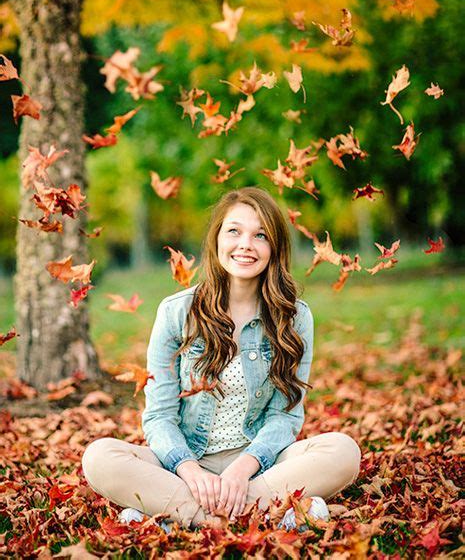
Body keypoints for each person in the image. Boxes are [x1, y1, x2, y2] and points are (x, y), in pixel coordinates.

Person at [82, 187, 361, 531]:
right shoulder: (177, 312)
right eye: (234, 231)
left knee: (343, 450)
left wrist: (244, 467)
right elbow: (159, 417)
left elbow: (284, 417)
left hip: (259, 464)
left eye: (260, 235)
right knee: (99, 457)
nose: (245, 244)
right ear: (216, 240)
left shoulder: (294, 317)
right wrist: (190, 470)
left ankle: (176, 516)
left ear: (274, 248)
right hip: (186, 464)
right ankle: (264, 514)